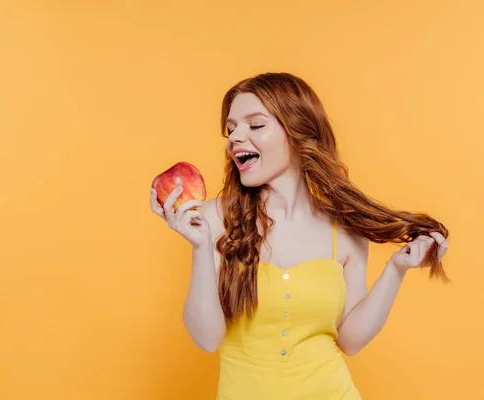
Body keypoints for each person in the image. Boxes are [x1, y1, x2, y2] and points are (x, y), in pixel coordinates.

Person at [149, 72, 450, 400]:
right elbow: (207, 338)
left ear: (296, 131)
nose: (236, 137)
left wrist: (396, 269)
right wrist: (199, 247)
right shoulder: (213, 219)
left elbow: (350, 341)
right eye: (231, 128)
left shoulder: (343, 230)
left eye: (255, 125)